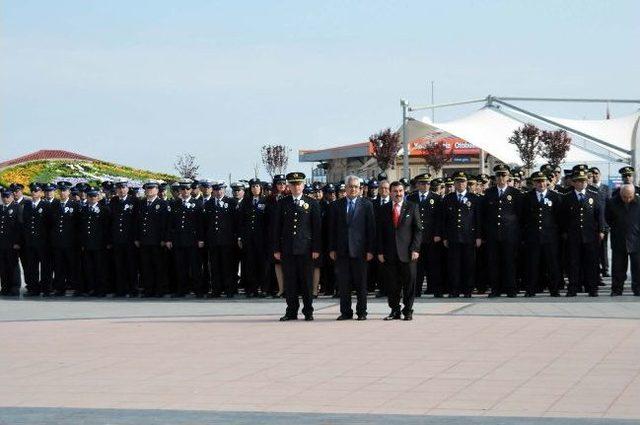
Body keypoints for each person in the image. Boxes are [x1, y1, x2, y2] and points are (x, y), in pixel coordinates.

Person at [273, 172, 321, 321]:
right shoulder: (283, 203)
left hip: (306, 249)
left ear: (303, 185)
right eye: (293, 184)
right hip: (288, 249)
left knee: (306, 282)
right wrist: (276, 249)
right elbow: (276, 228)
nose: (296, 187)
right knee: (290, 281)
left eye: (299, 184)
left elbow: (317, 228)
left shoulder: (312, 203)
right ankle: (291, 311)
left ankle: (308, 311)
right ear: (289, 186)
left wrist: (316, 248)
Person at [329, 175, 376, 320]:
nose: (353, 189)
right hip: (342, 251)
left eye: (356, 187)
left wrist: (370, 250)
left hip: (360, 251)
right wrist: (332, 248)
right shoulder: (336, 205)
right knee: (344, 285)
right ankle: (345, 312)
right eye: (350, 186)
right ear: (346, 188)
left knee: (361, 284)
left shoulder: (367, 205)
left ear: (360, 189)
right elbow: (331, 229)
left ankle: (362, 312)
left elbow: (371, 229)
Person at [376, 181, 422, 320]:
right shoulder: (383, 209)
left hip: (408, 253)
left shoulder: (412, 207)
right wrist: (380, 251)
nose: (398, 194)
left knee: (409, 284)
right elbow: (378, 232)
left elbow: (418, 230)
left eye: (401, 191)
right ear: (390, 193)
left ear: (404, 192)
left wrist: (415, 248)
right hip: (389, 253)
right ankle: (395, 310)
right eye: (395, 191)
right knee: (392, 284)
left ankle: (408, 310)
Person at [561, 165, 604, 297]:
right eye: (579, 180)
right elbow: (563, 217)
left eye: (584, 180)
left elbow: (599, 214)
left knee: (591, 263)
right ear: (574, 182)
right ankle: (573, 288)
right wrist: (564, 232)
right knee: (574, 263)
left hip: (590, 235)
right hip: (573, 236)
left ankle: (592, 288)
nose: (582, 183)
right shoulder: (567, 197)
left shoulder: (594, 195)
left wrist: (601, 230)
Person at [482, 164, 523, 297]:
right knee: (494, 262)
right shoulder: (488, 193)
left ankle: (511, 288)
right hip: (493, 234)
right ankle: (496, 289)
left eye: (503, 175)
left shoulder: (515, 193)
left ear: (508, 177)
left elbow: (520, 215)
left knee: (510, 262)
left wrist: (518, 235)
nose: (501, 178)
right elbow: (485, 215)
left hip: (510, 234)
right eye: (498, 175)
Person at [521, 171, 563, 297]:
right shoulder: (527, 197)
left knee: (552, 265)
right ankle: (531, 289)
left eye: (543, 181)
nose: (541, 183)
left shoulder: (555, 197)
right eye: (538, 181)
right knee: (532, 265)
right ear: (534, 183)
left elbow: (559, 217)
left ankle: (554, 289)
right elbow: (523, 217)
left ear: (547, 182)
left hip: (550, 237)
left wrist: (557, 234)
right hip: (533, 237)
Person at [441, 172, 482, 298]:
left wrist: (478, 236)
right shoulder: (448, 198)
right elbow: (444, 219)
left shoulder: (474, 198)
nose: (460, 184)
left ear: (466, 183)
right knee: (454, 265)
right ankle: (454, 290)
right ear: (454, 183)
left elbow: (478, 219)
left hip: (469, 237)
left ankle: (467, 290)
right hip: (453, 237)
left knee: (468, 265)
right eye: (458, 181)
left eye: (463, 181)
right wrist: (445, 236)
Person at [166, 180, 205, 297]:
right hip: (178, 240)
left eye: (188, 189)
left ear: (191, 190)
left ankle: (198, 290)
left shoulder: (197, 204)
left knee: (195, 267)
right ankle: (182, 289)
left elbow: (200, 224)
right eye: (183, 189)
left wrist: (201, 239)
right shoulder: (175, 204)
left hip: (192, 240)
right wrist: (168, 239)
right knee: (180, 267)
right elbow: (170, 224)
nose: (185, 191)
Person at [406, 173, 443, 297]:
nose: (425, 185)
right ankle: (416, 290)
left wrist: (438, 233)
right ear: (418, 185)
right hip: (417, 238)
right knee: (418, 266)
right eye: (422, 183)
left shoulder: (436, 198)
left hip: (432, 237)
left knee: (434, 264)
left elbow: (439, 218)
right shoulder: (411, 198)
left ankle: (436, 289)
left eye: (428, 183)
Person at [135, 180, 170, 297]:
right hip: (144, 240)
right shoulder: (141, 203)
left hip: (157, 241)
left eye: (152, 188)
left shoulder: (162, 204)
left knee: (158, 266)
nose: (149, 190)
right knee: (146, 266)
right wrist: (137, 238)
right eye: (147, 188)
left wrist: (164, 239)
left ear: (157, 190)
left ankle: (159, 289)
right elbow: (138, 222)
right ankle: (148, 289)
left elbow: (165, 224)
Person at [204, 180, 238, 297]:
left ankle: (229, 289)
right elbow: (206, 223)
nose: (218, 191)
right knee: (214, 266)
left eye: (221, 189)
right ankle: (216, 290)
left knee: (227, 266)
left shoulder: (231, 202)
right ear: (213, 190)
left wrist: (235, 237)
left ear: (224, 189)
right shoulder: (208, 204)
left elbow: (235, 222)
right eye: (216, 189)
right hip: (213, 240)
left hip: (227, 240)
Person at [605, 184, 640, 296]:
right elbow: (608, 219)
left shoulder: (639, 202)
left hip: (636, 239)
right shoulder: (612, 203)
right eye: (625, 197)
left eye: (630, 197)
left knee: (637, 267)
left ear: (633, 194)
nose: (627, 199)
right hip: (618, 239)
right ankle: (616, 289)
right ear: (620, 194)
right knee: (618, 268)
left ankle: (638, 288)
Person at [237, 178, 269, 297]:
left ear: (261, 188)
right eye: (253, 187)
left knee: (262, 264)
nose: (255, 189)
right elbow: (241, 220)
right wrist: (240, 237)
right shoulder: (246, 202)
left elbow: (269, 221)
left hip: (262, 238)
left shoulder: (266, 201)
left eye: (257, 186)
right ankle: (251, 288)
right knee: (250, 264)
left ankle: (264, 288)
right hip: (248, 238)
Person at [48, 181, 79, 296]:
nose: (62, 193)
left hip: (70, 242)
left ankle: (75, 287)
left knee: (72, 265)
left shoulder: (74, 205)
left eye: (64, 190)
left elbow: (77, 225)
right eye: (60, 190)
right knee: (59, 266)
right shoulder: (54, 205)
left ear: (69, 192)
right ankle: (60, 288)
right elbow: (50, 224)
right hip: (57, 242)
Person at [78, 187, 110, 297]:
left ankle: (101, 289)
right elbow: (81, 228)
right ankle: (91, 288)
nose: (92, 198)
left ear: (98, 197)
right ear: (87, 197)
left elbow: (106, 228)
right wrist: (82, 243)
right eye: (90, 196)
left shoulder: (104, 209)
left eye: (94, 196)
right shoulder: (83, 209)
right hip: (87, 244)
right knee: (89, 268)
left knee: (100, 268)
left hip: (99, 244)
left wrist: (106, 242)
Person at [109, 178, 138, 297]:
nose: (121, 190)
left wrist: (136, 238)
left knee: (131, 266)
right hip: (117, 239)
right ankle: (120, 289)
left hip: (129, 239)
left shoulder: (134, 201)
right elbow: (110, 221)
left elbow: (137, 221)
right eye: (119, 188)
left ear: (127, 188)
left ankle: (133, 289)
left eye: (123, 187)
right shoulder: (114, 201)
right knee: (119, 266)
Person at [21, 183, 52, 296]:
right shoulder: (27, 205)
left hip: (43, 243)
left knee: (45, 267)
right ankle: (34, 288)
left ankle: (46, 288)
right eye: (33, 191)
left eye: (36, 191)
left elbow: (49, 225)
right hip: (31, 242)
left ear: (41, 193)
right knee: (32, 267)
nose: (34, 193)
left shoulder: (46, 205)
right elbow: (25, 223)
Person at [0, 190, 21, 296]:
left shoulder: (17, 208)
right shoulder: (1, 208)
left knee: (13, 265)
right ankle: (5, 286)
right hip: (1, 243)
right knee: (2, 266)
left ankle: (15, 287)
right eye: (3, 196)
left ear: (12, 196)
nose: (5, 198)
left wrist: (17, 242)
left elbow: (18, 227)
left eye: (7, 196)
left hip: (12, 243)